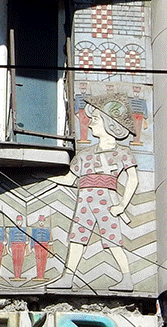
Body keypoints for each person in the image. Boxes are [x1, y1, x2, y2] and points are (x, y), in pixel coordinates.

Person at [49, 93, 138, 291]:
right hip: (84, 200)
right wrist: (44, 178)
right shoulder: (85, 154)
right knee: (77, 238)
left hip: (107, 201)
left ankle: (127, 278)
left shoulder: (123, 152)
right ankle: (67, 278)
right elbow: (69, 179)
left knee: (113, 240)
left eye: (95, 119)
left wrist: (122, 205)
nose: (89, 125)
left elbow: (133, 179)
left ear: (110, 123)